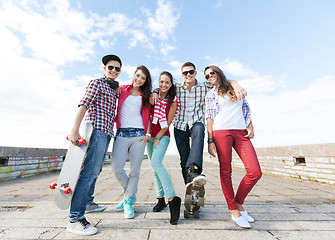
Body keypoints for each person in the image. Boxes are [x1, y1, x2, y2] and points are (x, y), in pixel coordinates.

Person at [66, 54, 122, 235]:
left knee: (95, 171)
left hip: (106, 133)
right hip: (96, 130)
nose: (114, 70)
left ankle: (88, 203)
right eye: (110, 67)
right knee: (89, 172)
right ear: (104, 68)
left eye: (117, 68)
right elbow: (83, 104)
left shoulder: (114, 88)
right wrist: (74, 130)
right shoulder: (97, 83)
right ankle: (75, 218)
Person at [205, 65, 262, 229]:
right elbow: (209, 118)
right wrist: (210, 140)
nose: (210, 77)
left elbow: (246, 108)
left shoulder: (234, 87)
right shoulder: (211, 94)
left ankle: (238, 202)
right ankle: (234, 210)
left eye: (212, 73)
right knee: (226, 171)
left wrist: (251, 126)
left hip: (240, 132)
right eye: (207, 76)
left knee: (255, 171)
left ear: (219, 73)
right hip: (221, 132)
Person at [112, 65, 152, 219]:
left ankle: (128, 201)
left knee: (134, 171)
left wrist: (148, 134)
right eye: (138, 75)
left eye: (143, 78)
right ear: (133, 75)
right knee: (116, 169)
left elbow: (149, 116)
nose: (139, 79)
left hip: (139, 135)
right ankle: (130, 193)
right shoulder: (122, 89)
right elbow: (111, 85)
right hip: (121, 133)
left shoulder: (147, 95)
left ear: (145, 81)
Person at [147, 71, 182, 225]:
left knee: (156, 163)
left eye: (167, 82)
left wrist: (158, 138)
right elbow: (147, 116)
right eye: (161, 82)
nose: (164, 85)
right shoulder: (152, 96)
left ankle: (172, 199)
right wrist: (149, 134)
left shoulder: (172, 100)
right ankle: (160, 199)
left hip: (163, 135)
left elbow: (167, 123)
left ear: (171, 84)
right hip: (150, 135)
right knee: (154, 168)